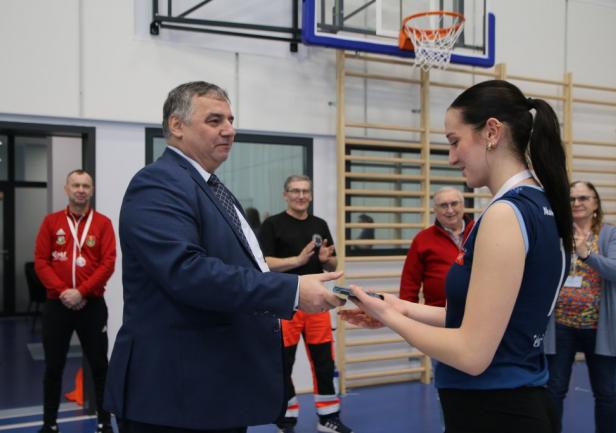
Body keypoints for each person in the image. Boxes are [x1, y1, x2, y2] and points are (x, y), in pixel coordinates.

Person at [104, 81, 344, 433]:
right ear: (177, 125)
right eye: (215, 120)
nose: (230, 130)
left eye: (231, 120)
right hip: (175, 396)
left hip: (213, 389)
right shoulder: (158, 183)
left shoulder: (212, 188)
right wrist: (291, 290)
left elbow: (244, 267)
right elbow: (187, 272)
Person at [340, 79, 573, 433]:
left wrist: (390, 318)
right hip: (513, 402)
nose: (451, 158)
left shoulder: (505, 215)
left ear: (491, 132)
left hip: (494, 410)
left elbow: (471, 353)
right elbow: (479, 317)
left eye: (454, 142)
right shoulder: (539, 204)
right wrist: (400, 308)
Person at [258, 175, 352, 433]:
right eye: (295, 191)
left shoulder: (319, 224)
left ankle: (328, 417)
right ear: (285, 194)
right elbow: (264, 263)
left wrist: (326, 259)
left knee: (324, 363)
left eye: (305, 191)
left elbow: (332, 264)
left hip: (317, 303)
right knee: (283, 363)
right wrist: (297, 261)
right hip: (284, 302)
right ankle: (285, 420)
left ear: (310, 195)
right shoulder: (272, 224)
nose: (301, 196)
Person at [34, 169, 116, 433]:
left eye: (86, 186)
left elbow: (108, 263)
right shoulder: (51, 222)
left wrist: (81, 291)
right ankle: (49, 424)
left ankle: (104, 422)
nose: (81, 190)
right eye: (76, 185)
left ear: (92, 190)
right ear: (66, 189)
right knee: (53, 367)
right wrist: (64, 292)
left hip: (92, 305)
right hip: (57, 306)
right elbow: (41, 262)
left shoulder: (103, 223)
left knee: (100, 366)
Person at [545, 180, 616, 433]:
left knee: (607, 393)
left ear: (595, 203)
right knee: (554, 389)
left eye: (583, 198)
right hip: (560, 326)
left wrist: (588, 255)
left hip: (599, 328)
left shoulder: (609, 234)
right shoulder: (557, 234)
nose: (577, 203)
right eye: (572, 199)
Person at [399, 187, 474, 306]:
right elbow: (409, 285)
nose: (450, 210)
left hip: (478, 311)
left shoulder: (479, 232)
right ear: (435, 210)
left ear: (463, 206)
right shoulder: (422, 239)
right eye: (443, 205)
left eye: (454, 204)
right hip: (437, 313)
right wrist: (405, 313)